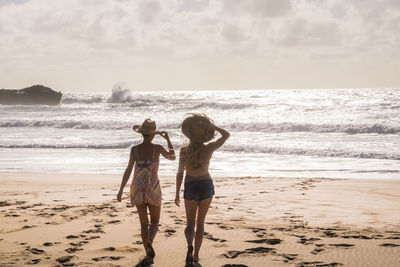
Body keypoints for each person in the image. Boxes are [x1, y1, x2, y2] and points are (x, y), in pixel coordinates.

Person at [117, 118, 175, 266]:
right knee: (155, 222)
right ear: (153, 134)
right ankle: (149, 241)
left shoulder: (134, 150)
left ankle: (148, 256)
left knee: (144, 224)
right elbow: (173, 157)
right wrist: (168, 139)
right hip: (152, 188)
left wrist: (121, 189)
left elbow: (128, 170)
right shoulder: (157, 148)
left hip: (137, 188)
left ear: (142, 134)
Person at [175, 114, 230, 267]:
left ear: (188, 133)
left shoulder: (184, 151)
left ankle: (189, 247)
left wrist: (177, 192)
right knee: (201, 223)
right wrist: (213, 128)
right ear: (205, 134)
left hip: (191, 185)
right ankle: (197, 257)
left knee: (189, 224)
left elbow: (180, 173)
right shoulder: (209, 147)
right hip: (206, 184)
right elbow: (226, 135)